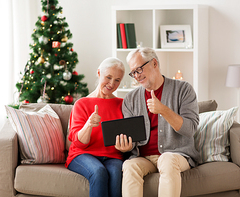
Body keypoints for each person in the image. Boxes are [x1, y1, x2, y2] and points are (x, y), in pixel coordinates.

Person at [118, 47, 200, 197]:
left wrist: (164, 110)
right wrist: (125, 146)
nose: (136, 76)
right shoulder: (130, 99)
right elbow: (132, 139)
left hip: (176, 155)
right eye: (133, 72)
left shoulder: (183, 89)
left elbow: (190, 129)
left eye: (139, 69)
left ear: (154, 63)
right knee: (129, 165)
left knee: (167, 159)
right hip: (144, 158)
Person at [65, 57, 132, 197]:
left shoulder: (122, 104)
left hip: (113, 155)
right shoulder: (81, 104)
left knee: (116, 173)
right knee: (98, 171)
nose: (112, 83)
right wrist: (89, 125)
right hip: (82, 155)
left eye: (117, 80)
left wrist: (127, 147)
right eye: (108, 77)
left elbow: (130, 136)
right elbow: (78, 143)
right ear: (99, 73)